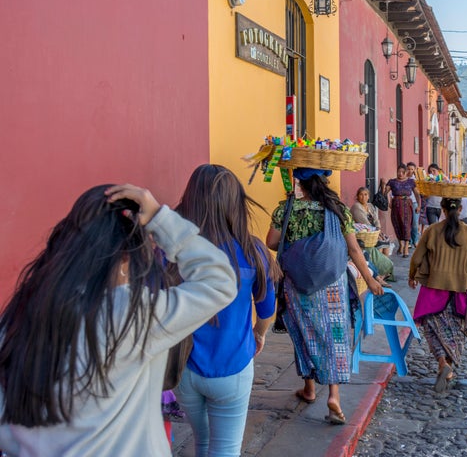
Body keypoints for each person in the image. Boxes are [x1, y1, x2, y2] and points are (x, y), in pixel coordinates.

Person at [0, 184, 237, 456]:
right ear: (125, 258)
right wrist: (161, 218)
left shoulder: (16, 320)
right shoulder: (129, 314)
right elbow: (219, 282)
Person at [173, 164, 281, 457]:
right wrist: (259, 335)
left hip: (183, 368)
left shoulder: (171, 251)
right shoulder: (253, 251)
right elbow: (267, 310)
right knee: (225, 450)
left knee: (202, 442)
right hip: (233, 366)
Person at [266, 168, 383, 426]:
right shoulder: (338, 209)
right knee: (334, 336)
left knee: (304, 331)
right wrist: (371, 278)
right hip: (331, 284)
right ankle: (334, 397)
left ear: (300, 184)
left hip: (298, 284)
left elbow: (272, 242)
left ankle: (309, 388)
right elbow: (353, 248)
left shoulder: (286, 209)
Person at [408, 198, 467, 392]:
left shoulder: (431, 231)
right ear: (461, 208)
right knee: (455, 333)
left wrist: (412, 276)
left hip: (433, 290)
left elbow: (416, 257)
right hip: (460, 292)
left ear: (442, 209)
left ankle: (442, 363)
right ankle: (447, 366)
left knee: (432, 330)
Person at [350, 186, 394, 278]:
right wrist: (376, 234)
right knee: (380, 245)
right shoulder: (356, 207)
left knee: (386, 243)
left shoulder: (370, 206)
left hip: (373, 232)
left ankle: (383, 272)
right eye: (361, 195)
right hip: (364, 234)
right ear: (357, 196)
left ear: (368, 196)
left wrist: (379, 230)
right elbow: (364, 222)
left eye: (365, 195)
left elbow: (376, 219)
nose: (363, 197)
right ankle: (378, 274)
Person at [384, 164, 421, 258]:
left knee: (407, 225)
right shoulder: (392, 182)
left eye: (402, 172)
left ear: (406, 172)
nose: (400, 174)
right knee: (397, 224)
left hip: (407, 205)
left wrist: (419, 205)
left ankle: (406, 249)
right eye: (398, 172)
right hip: (396, 205)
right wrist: (389, 202)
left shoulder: (411, 182)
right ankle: (401, 244)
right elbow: (385, 193)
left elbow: (417, 194)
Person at [406, 161, 420, 247]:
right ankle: (409, 241)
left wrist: (419, 205)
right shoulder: (404, 179)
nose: (410, 171)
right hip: (406, 203)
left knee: (414, 223)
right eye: (408, 169)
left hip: (414, 203)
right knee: (407, 223)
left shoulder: (417, 180)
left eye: (412, 169)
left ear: (414, 170)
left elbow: (419, 194)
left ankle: (415, 240)